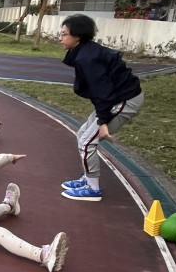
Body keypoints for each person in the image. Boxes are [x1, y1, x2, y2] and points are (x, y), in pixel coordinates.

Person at [59, 13, 144, 202]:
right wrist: (102, 117)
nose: (60, 38)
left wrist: (103, 122)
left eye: (64, 34)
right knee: (82, 134)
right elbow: (100, 91)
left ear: (78, 36)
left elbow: (102, 91)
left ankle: (93, 189)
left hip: (125, 99)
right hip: (113, 98)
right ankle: (88, 178)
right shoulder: (84, 52)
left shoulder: (88, 58)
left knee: (87, 142)